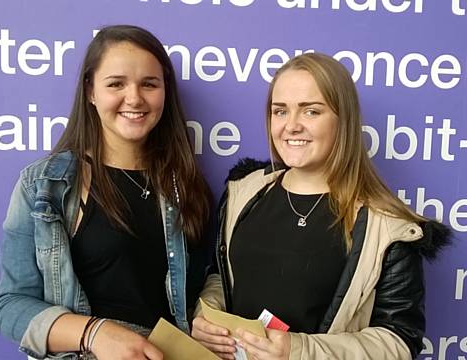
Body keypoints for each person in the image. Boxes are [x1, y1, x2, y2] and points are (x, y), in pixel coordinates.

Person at [190, 53, 451, 360]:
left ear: (344, 120)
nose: (292, 126)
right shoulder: (242, 194)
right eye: (280, 111)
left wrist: (298, 352)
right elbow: (221, 276)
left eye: (311, 111)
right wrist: (207, 316)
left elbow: (399, 341)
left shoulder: (388, 227)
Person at [0, 25, 212, 360]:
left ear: (165, 92)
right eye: (116, 84)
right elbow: (11, 307)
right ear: (91, 91)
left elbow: (207, 288)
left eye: (149, 84)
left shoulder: (186, 185)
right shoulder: (43, 186)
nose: (135, 98)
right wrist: (95, 333)